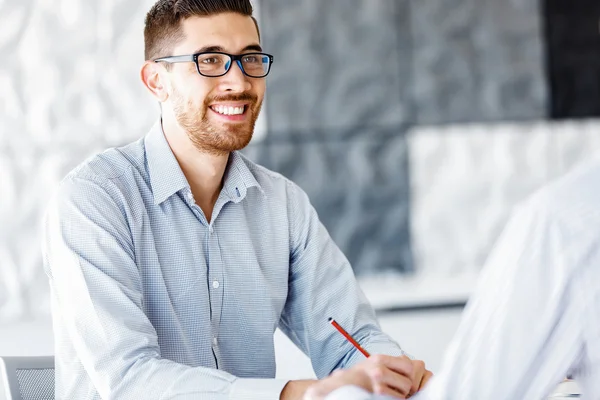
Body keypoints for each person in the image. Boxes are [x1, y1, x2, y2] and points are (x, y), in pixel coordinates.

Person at [42, 1, 433, 398]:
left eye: (250, 59)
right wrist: (297, 394)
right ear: (157, 80)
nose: (239, 81)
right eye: (210, 60)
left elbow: (352, 339)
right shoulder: (94, 199)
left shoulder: (282, 204)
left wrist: (393, 376)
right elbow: (129, 380)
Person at [304, 155, 600, 400]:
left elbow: (354, 338)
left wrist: (386, 375)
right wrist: (294, 393)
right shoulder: (566, 222)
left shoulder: (564, 224)